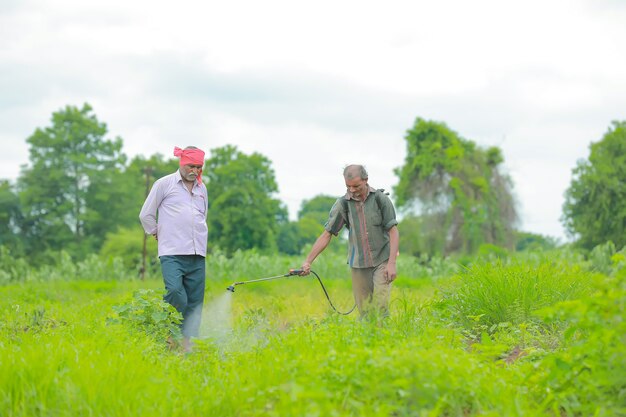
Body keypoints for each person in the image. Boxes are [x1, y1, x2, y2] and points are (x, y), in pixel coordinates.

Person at [300, 164, 399, 317]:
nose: (352, 190)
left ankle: (384, 338)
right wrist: (308, 262)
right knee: (365, 311)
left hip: (382, 261)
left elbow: (393, 231)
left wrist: (391, 263)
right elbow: (327, 234)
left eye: (356, 186)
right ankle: (367, 339)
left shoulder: (381, 200)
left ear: (366, 180)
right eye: (348, 186)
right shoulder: (343, 204)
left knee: (381, 306)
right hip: (358, 264)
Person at [139, 146, 208, 352]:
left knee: (195, 302)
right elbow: (146, 214)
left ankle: (187, 347)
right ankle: (168, 333)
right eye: (191, 166)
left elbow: (203, 215)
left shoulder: (201, 188)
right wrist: (155, 232)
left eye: (198, 167)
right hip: (172, 252)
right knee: (176, 293)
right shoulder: (164, 184)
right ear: (181, 163)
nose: (194, 171)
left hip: (197, 253)